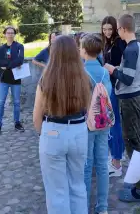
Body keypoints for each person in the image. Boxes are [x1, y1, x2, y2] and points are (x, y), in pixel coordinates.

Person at [33, 35, 90, 214]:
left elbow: (37, 116)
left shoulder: (46, 79)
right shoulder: (84, 78)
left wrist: (44, 133)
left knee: (56, 191)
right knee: (78, 186)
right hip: (79, 130)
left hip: (53, 131)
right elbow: (88, 109)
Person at [104, 14, 140, 203]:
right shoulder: (136, 47)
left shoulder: (130, 49)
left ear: (122, 29)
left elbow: (128, 78)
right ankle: (139, 182)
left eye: (118, 30)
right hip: (132, 99)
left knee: (134, 144)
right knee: (136, 142)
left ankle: (139, 189)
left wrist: (112, 69)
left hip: (130, 100)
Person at [80, 33, 112, 214]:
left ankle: (83, 206)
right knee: (101, 165)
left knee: (86, 166)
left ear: (84, 50)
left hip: (86, 124)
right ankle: (103, 206)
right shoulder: (104, 72)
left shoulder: (81, 72)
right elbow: (109, 96)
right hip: (103, 122)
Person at [101, 16, 126, 177]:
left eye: (110, 29)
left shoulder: (119, 43)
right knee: (112, 122)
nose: (108, 32)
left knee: (113, 123)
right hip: (107, 85)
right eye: (105, 29)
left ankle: (117, 162)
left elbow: (124, 66)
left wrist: (111, 67)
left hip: (115, 87)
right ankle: (117, 156)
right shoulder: (106, 43)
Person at [0, 26, 25, 135]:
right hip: (4, 79)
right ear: (5, 34)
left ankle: (17, 123)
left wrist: (6, 65)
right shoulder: (1, 49)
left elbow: (20, 60)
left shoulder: (19, 46)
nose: (10, 34)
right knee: (1, 103)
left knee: (16, 102)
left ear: (14, 34)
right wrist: (12, 64)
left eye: (12, 33)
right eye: (8, 33)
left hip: (16, 79)